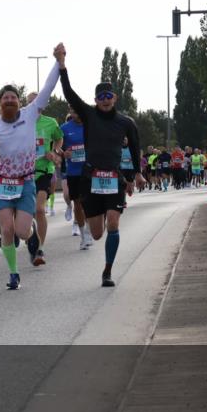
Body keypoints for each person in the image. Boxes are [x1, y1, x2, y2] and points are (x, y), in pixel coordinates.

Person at [58, 57, 145, 288]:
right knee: (97, 233)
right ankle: (99, 215)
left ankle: (107, 271)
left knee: (114, 225)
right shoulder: (88, 115)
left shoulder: (126, 122)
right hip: (90, 178)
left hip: (114, 178)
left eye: (109, 96)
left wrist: (137, 174)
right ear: (95, 100)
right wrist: (62, 65)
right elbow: (69, 93)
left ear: (115, 98)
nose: (105, 100)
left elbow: (135, 148)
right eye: (101, 97)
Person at [0, 52, 61, 290]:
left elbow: (48, 88)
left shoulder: (30, 115)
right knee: (7, 230)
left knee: (22, 230)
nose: (9, 100)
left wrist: (59, 62)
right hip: (3, 182)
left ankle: (32, 236)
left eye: (13, 97)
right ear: (0, 103)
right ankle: (13, 274)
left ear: (19, 102)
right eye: (5, 97)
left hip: (26, 181)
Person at [27, 110, 63, 266]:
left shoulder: (51, 122)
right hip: (24, 173)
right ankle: (31, 238)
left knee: (39, 210)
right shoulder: (20, 122)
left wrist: (54, 152)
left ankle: (40, 248)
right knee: (28, 214)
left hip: (44, 171)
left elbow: (59, 138)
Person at [61, 106, 93, 249]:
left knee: (90, 204)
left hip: (90, 171)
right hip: (73, 172)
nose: (75, 114)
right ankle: (83, 235)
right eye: (73, 111)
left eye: (77, 111)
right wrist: (63, 153)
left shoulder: (91, 125)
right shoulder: (65, 128)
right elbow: (56, 147)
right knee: (78, 205)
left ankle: (88, 229)